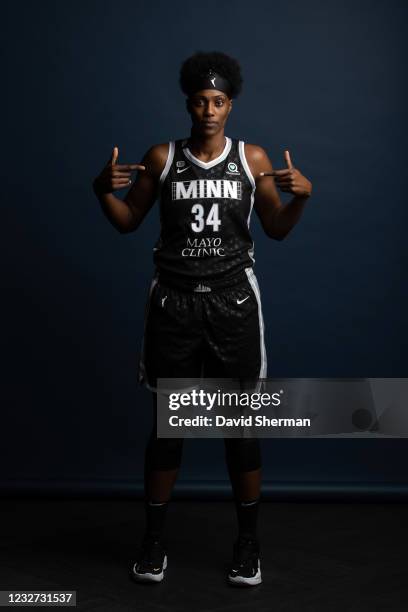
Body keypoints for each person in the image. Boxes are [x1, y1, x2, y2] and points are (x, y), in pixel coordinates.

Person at [92, 50, 312, 587]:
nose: (209, 110)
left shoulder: (252, 159)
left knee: (238, 428)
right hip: (174, 304)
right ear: (188, 105)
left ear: (229, 106)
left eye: (218, 101)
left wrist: (301, 198)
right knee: (169, 430)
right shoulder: (164, 157)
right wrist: (101, 191)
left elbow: (278, 228)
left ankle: (248, 544)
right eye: (200, 101)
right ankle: (153, 543)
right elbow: (127, 221)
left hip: (233, 304)